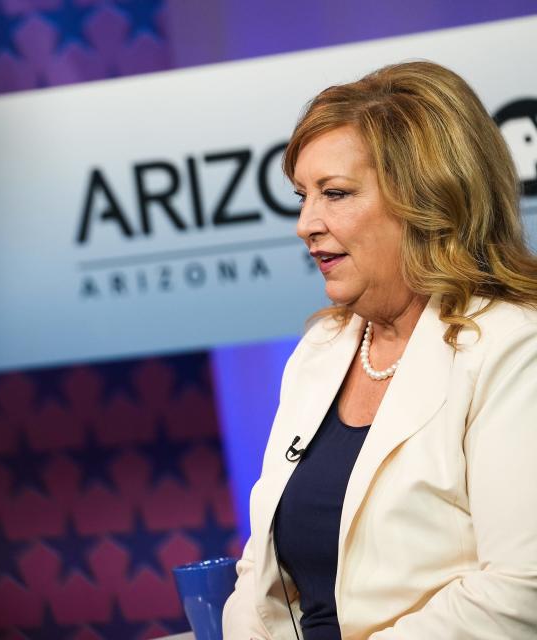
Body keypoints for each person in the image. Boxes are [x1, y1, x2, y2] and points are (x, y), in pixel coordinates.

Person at [221, 60, 537, 639]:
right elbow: (259, 573)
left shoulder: (514, 347)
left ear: (431, 200)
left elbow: (522, 592)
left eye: (335, 194)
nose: (304, 224)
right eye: (302, 195)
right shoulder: (323, 347)